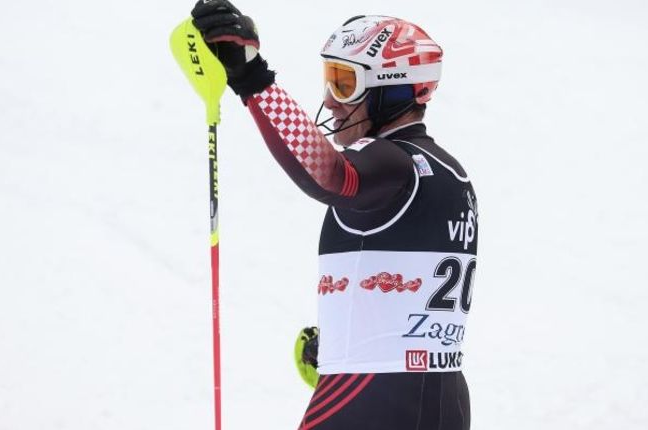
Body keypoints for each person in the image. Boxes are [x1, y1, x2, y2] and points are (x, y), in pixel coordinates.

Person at [191, 2, 477, 429]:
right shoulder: (449, 173)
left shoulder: (391, 160)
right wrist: (343, 341)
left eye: (344, 84)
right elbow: (411, 294)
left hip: (369, 393)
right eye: (330, 80)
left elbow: (329, 175)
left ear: (392, 91)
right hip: (441, 397)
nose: (330, 100)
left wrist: (252, 79)